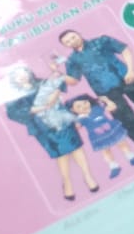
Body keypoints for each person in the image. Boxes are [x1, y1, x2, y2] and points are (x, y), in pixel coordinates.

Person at [59, 28, 134, 160]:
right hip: (104, 92)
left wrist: (130, 70)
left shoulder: (101, 41)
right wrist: (57, 73)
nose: (72, 41)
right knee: (126, 120)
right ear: (65, 45)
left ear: (79, 34)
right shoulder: (72, 60)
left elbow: (125, 50)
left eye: (72, 37)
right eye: (67, 41)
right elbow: (74, 81)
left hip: (126, 78)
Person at [5, 66, 98, 200]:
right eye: (17, 76)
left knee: (77, 147)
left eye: (23, 73)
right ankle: (67, 183)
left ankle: (88, 176)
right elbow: (12, 113)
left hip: (61, 118)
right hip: (43, 127)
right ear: (13, 79)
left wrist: (55, 85)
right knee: (61, 155)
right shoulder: (14, 95)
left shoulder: (42, 82)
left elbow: (59, 85)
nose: (22, 77)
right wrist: (35, 109)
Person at [69, 95, 134, 178]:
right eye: (78, 106)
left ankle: (132, 158)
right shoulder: (80, 119)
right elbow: (77, 127)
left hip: (111, 130)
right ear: (73, 110)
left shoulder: (97, 108)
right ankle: (114, 167)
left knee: (122, 144)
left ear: (89, 101)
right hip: (98, 136)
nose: (83, 106)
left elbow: (112, 107)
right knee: (106, 151)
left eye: (85, 102)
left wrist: (107, 100)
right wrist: (73, 120)